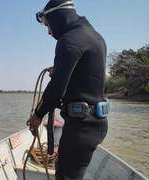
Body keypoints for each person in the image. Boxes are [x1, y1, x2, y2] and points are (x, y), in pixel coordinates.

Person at [27, 0, 108, 179]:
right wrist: (60, 70)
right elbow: (88, 77)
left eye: (48, 25)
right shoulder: (95, 36)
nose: (49, 32)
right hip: (96, 124)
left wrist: (38, 114)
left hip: (82, 127)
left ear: (58, 17)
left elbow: (56, 88)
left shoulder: (69, 40)